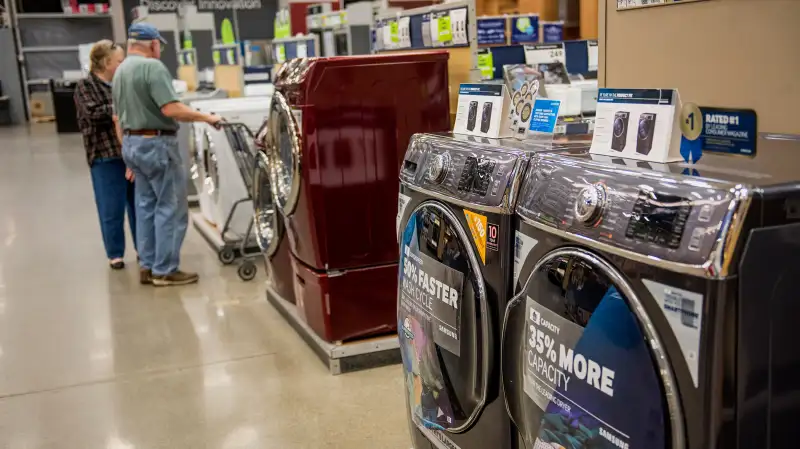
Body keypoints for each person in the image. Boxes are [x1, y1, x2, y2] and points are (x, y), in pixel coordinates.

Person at [112, 23, 221, 287]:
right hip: (157, 145)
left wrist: (126, 149)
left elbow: (116, 116)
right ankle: (165, 270)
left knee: (146, 206)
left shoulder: (120, 71)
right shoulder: (153, 67)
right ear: (153, 44)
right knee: (170, 208)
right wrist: (206, 117)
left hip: (132, 144)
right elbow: (171, 109)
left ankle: (148, 266)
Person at [75, 40, 136, 270]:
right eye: (119, 61)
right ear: (105, 62)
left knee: (138, 205)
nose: (123, 65)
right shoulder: (85, 87)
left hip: (131, 153)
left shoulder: (122, 84)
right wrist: (120, 108)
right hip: (105, 155)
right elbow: (93, 113)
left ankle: (144, 248)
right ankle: (115, 254)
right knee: (111, 207)